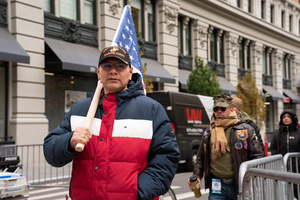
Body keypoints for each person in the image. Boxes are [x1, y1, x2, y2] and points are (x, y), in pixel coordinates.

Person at [43, 46, 180, 200]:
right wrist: (69, 141)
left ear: (130, 73)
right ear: (98, 72)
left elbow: (167, 158)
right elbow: (50, 151)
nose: (113, 71)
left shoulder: (152, 110)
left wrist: (137, 192)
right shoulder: (80, 110)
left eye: (120, 66)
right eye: (107, 66)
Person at [188, 94, 264, 200]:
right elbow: (200, 157)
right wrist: (197, 175)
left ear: (231, 109)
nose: (219, 111)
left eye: (222, 108)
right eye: (216, 109)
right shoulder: (209, 132)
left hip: (239, 184)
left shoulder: (246, 129)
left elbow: (257, 156)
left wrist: (248, 178)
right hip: (217, 184)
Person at [270, 109, 300, 199]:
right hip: (282, 168)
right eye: (284, 117)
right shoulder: (277, 133)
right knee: (283, 192)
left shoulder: (298, 133)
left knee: (297, 192)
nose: (286, 119)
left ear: (293, 118)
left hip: (297, 168)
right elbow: (273, 148)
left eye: (288, 117)